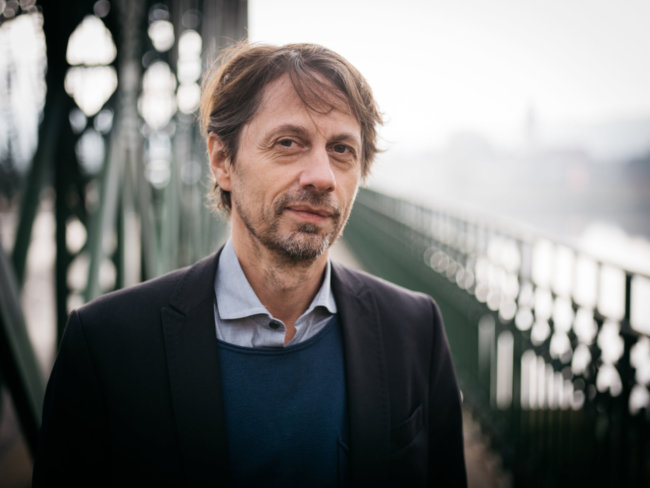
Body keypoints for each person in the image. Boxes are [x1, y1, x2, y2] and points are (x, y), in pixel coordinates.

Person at [33, 42, 466, 487]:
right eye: (288, 143)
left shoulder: (416, 329)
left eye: (341, 150)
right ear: (222, 161)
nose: (322, 176)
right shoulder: (105, 344)